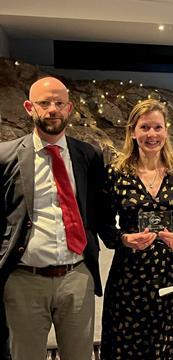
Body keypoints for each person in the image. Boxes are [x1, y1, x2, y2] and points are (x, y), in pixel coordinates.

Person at [0, 77, 105, 360]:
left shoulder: (89, 155)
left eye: (59, 103)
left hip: (76, 277)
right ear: (28, 107)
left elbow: (98, 211)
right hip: (25, 280)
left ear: (69, 108)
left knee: (80, 355)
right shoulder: (6, 156)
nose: (52, 109)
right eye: (44, 103)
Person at [99, 99, 173, 359]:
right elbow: (103, 223)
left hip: (170, 273)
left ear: (166, 130)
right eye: (145, 128)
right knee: (128, 344)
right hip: (130, 276)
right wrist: (124, 239)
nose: (152, 135)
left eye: (158, 127)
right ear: (133, 131)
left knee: (167, 345)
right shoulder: (115, 173)